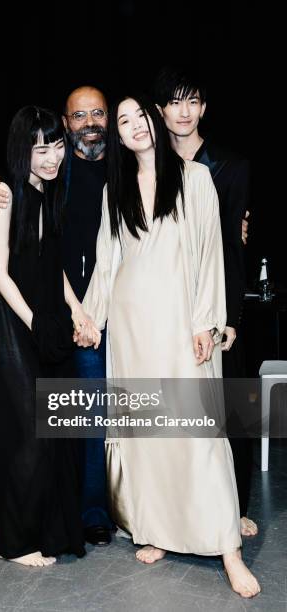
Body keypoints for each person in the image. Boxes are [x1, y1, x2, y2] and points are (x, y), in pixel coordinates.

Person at [79, 94, 260, 598]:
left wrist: (208, 322)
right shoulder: (114, 188)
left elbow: (210, 256)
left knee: (200, 437)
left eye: (140, 115)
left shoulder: (195, 178)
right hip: (134, 329)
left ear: (155, 121)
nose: (135, 125)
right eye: (124, 120)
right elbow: (106, 258)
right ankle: (159, 529)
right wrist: (92, 318)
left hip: (183, 326)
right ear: (117, 134)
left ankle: (227, 548)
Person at [0, 86, 114, 546]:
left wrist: (78, 313)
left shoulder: (49, 195)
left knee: (53, 434)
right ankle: (15, 544)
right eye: (41, 148)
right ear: (23, 150)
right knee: (23, 434)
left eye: (56, 147)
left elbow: (53, 267)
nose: (53, 157)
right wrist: (34, 322)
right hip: (12, 324)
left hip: (45, 321)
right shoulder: (6, 195)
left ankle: (46, 529)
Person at [153, 65, 257, 537]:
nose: (184, 111)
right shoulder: (149, 167)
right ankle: (174, 514)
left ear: (204, 108)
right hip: (164, 305)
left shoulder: (230, 166)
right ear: (160, 110)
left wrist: (229, 315)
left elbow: (236, 249)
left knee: (230, 406)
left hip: (215, 304)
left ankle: (234, 507)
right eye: (175, 102)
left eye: (192, 101)